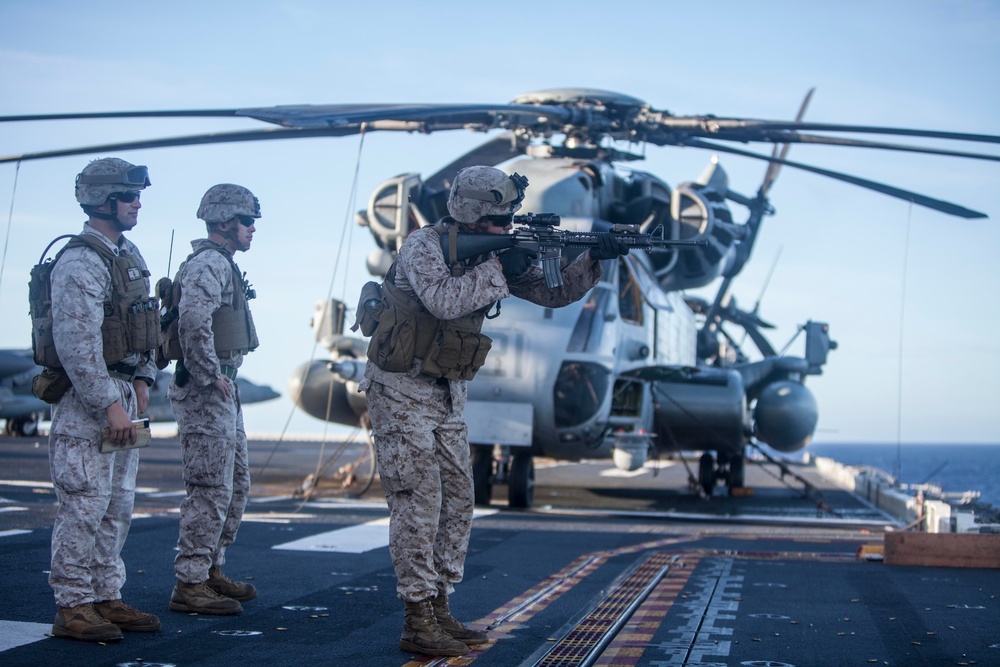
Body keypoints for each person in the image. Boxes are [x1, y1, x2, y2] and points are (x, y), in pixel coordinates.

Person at [358, 166, 629, 657]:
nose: (507, 227)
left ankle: (439, 606)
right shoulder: (423, 246)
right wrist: (499, 267)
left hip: (445, 393)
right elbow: (442, 300)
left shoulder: (495, 250)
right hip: (400, 388)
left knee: (459, 500)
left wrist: (593, 258)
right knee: (418, 501)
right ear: (472, 213)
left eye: (510, 220)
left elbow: (553, 293)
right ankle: (417, 617)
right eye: (500, 220)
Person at [47, 157, 161, 642]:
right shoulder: (80, 261)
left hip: (122, 391)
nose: (138, 203)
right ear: (103, 199)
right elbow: (76, 342)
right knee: (85, 502)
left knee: (117, 502)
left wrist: (143, 378)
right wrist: (107, 404)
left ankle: (105, 595)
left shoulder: (126, 254)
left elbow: (144, 321)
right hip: (88, 400)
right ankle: (73, 605)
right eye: (129, 195)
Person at [166, 184, 261, 615]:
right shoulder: (208, 263)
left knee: (236, 484)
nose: (252, 229)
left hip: (224, 385)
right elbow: (192, 320)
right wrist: (209, 376)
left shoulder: (224, 264)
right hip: (206, 390)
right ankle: (189, 581)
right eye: (245, 220)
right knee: (209, 486)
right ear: (224, 222)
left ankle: (209, 568)